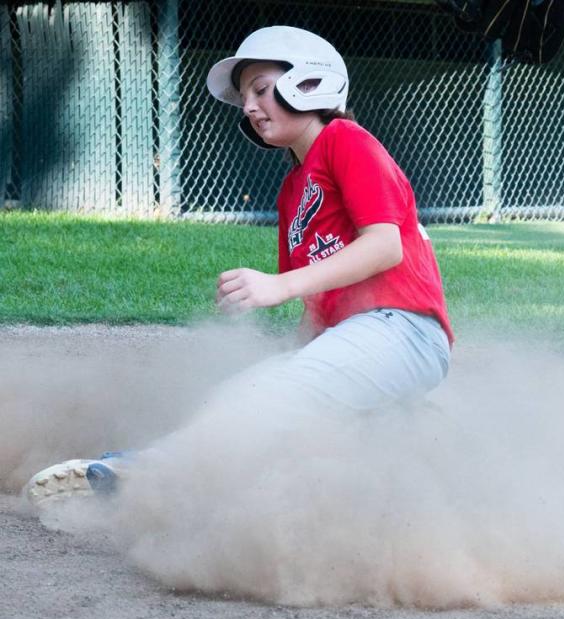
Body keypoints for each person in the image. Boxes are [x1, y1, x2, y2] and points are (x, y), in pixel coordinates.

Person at [23, 26, 454, 506]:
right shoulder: (293, 190)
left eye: (261, 89)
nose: (248, 106)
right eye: (245, 96)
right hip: (361, 339)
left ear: (310, 84)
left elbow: (384, 246)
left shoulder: (344, 141)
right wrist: (290, 353)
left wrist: (279, 286)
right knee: (246, 394)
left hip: (402, 330)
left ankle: (147, 479)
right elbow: (319, 309)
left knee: (274, 396)